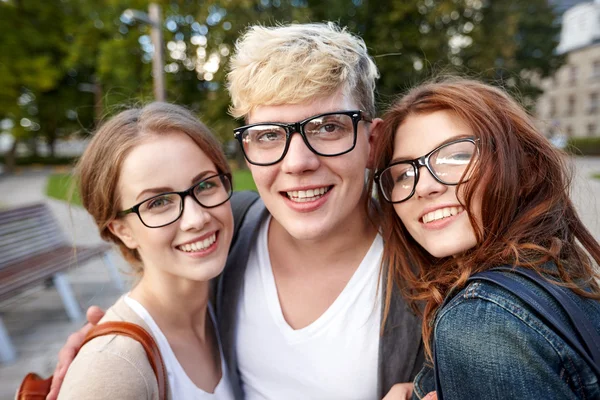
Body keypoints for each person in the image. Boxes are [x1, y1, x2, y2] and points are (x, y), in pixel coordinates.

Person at [48, 23, 425, 400]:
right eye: (268, 135)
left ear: (372, 142)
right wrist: (110, 358)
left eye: (328, 127)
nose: (297, 162)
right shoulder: (232, 228)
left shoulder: (429, 268)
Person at [370, 78, 600, 399]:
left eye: (456, 156)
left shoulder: (480, 321)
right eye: (404, 173)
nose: (423, 186)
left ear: (527, 171)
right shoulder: (562, 276)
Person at [57, 102, 236, 399]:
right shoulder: (114, 368)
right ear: (122, 230)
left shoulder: (223, 302)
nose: (197, 218)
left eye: (205, 185)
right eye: (158, 202)